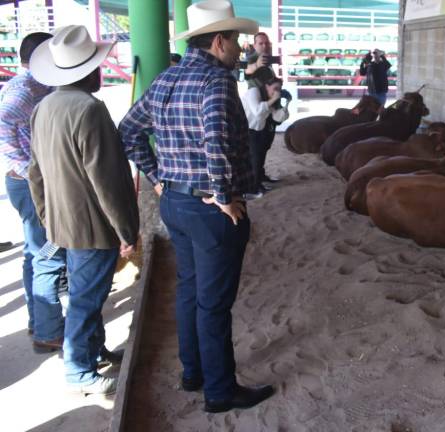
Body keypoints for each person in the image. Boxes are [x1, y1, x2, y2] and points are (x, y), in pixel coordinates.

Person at [119, 0, 275, 413]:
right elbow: (217, 142)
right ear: (219, 41)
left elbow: (129, 131)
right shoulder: (216, 81)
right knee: (214, 303)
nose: (240, 49)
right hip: (210, 210)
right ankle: (220, 391)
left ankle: (194, 373)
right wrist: (224, 196)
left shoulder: (167, 77)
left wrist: (156, 178)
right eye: (237, 41)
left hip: (175, 203)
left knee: (190, 291)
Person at [27, 24, 139, 395]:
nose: (101, 69)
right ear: (87, 71)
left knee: (84, 292)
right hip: (93, 225)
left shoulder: (44, 107)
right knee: (86, 299)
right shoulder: (89, 109)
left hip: (64, 221)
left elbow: (35, 173)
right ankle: (79, 372)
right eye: (97, 64)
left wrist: (47, 218)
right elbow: (107, 180)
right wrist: (126, 229)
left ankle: (94, 351)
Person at [0, 31, 68, 351]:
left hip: (31, 179)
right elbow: (3, 128)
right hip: (29, 183)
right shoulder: (23, 89)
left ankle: (39, 321)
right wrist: (29, 169)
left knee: (35, 253)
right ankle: (49, 331)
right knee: (47, 255)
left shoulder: (42, 82)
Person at [241, 68, 289, 199]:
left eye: (279, 88)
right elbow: (257, 111)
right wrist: (273, 99)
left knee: (260, 157)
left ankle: (259, 182)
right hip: (246, 129)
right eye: (275, 88)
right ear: (266, 86)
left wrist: (285, 105)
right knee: (254, 158)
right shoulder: (253, 92)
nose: (277, 91)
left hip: (259, 130)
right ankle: (252, 188)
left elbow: (277, 118)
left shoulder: (271, 97)